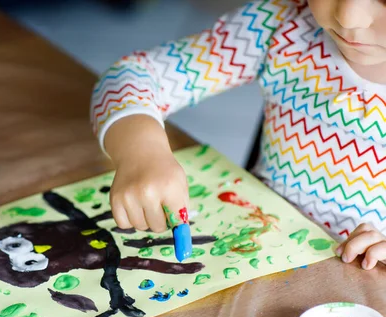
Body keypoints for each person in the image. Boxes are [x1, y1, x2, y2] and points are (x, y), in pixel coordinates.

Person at [90, 0, 386, 269]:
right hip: (256, 257)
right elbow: (130, 76)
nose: (348, 16)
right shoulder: (282, 25)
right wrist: (142, 152)